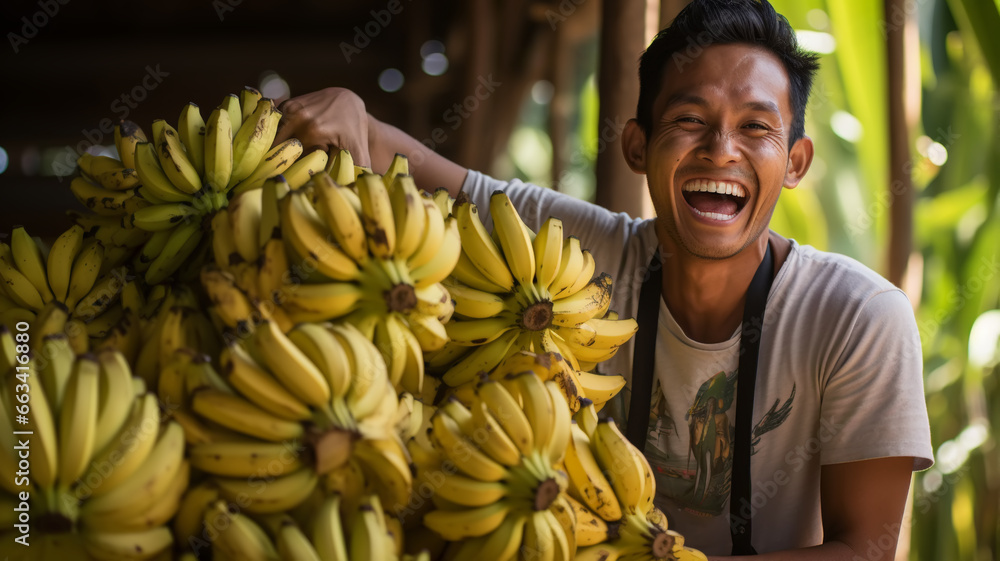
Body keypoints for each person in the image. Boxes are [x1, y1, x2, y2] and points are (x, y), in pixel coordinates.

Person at [274, 0, 934, 557]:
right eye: (690, 120)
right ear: (636, 145)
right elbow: (413, 161)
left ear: (794, 161)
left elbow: (866, 550)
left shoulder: (856, 315)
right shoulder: (581, 253)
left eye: (755, 128)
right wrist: (349, 108)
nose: (721, 149)